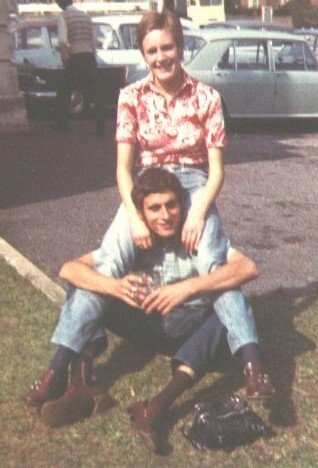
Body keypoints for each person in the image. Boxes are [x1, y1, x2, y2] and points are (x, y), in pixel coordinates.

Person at [21, 168, 273, 452]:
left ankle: (156, 407)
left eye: (171, 205)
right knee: (88, 284)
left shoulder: (197, 235)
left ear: (182, 206)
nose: (164, 215)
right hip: (145, 324)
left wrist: (187, 288)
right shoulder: (133, 238)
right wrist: (114, 286)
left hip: (188, 328)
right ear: (141, 213)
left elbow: (248, 267)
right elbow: (69, 269)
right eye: (154, 208)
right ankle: (80, 382)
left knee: (226, 297)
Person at [54, 0, 105, 135]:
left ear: (60, 5)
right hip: (89, 56)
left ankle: (63, 125)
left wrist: (65, 60)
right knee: (95, 91)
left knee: (64, 90)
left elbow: (63, 41)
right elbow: (92, 40)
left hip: (74, 56)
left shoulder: (63, 17)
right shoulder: (85, 16)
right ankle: (101, 125)